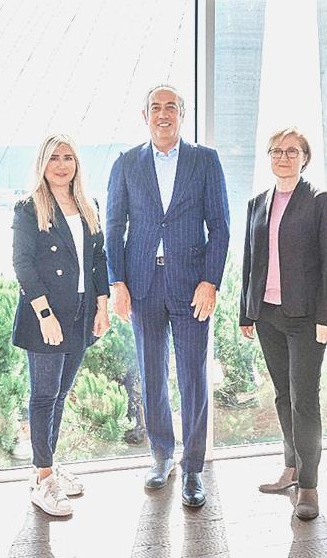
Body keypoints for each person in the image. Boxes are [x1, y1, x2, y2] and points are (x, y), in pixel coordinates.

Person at [106, 84, 229, 508]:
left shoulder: (205, 160)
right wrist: (118, 283)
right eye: (156, 108)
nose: (163, 114)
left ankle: (193, 467)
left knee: (194, 375)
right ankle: (162, 455)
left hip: (192, 285)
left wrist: (210, 281)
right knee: (151, 372)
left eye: (171, 107)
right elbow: (114, 227)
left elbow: (220, 226)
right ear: (145, 116)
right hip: (142, 284)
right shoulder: (126, 163)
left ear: (182, 114)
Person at [239, 127, 327, 520]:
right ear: (269, 157)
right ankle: (291, 467)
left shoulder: (321, 201)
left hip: (306, 320)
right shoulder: (257, 203)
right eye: (277, 151)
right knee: (283, 396)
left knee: (304, 400)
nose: (284, 157)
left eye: (292, 151)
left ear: (305, 158)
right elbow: (250, 260)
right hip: (267, 315)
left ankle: (309, 486)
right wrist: (246, 312)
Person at [11, 134, 111, 517]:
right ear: (42, 163)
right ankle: (44, 477)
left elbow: (98, 259)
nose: (61, 164)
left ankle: (46, 465)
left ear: (76, 163)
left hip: (81, 311)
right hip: (47, 314)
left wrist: (102, 305)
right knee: (43, 396)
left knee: (61, 394)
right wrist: (44, 314)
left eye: (68, 157)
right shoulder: (28, 207)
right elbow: (22, 264)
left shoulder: (88, 204)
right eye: (54, 157)